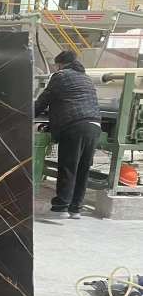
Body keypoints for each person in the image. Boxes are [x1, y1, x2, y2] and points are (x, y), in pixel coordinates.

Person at [34, 50, 102, 218]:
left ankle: (61, 207)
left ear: (60, 64)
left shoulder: (60, 76)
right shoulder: (86, 78)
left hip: (74, 126)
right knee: (83, 168)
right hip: (94, 125)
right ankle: (76, 209)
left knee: (68, 167)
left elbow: (44, 100)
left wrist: (27, 114)